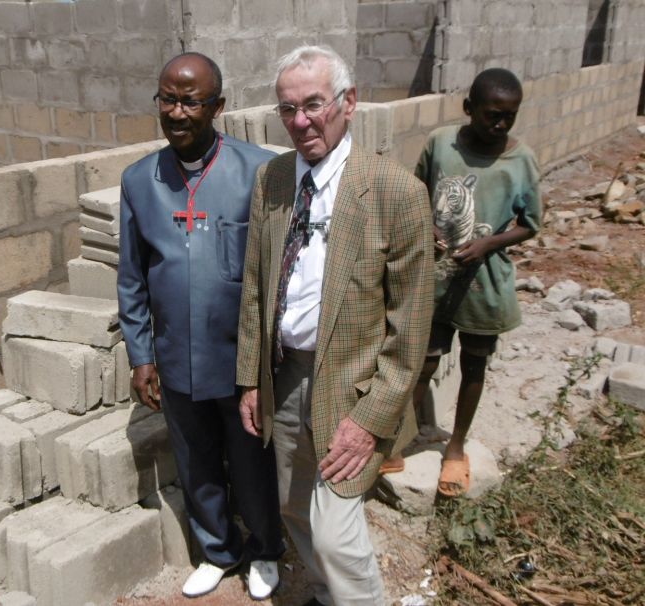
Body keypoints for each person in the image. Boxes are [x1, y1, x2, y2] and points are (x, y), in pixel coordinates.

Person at [237, 45, 434, 606]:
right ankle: (325, 595)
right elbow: (255, 285)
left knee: (336, 528)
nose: (301, 122)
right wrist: (251, 378)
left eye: (314, 104)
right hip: (285, 376)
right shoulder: (273, 179)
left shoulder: (394, 191)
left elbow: (410, 325)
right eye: (288, 109)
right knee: (294, 503)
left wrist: (371, 419)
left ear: (349, 103)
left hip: (352, 385)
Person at [117, 52, 284, 600]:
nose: (178, 111)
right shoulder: (140, 180)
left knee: (251, 459)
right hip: (175, 354)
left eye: (191, 101)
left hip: (240, 359)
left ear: (218, 106)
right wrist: (141, 355)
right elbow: (133, 277)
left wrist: (267, 360)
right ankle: (217, 549)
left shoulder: (259, 170)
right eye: (168, 98)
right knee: (194, 458)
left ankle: (264, 548)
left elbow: (277, 269)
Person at [384, 68, 542, 497]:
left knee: (474, 364)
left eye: (509, 117)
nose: (501, 125)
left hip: (484, 284)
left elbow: (530, 224)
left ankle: (455, 448)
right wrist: (426, 225)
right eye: (492, 115)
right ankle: (400, 441)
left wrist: (488, 242)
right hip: (436, 281)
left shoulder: (520, 160)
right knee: (424, 362)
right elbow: (417, 191)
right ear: (469, 108)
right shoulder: (441, 145)